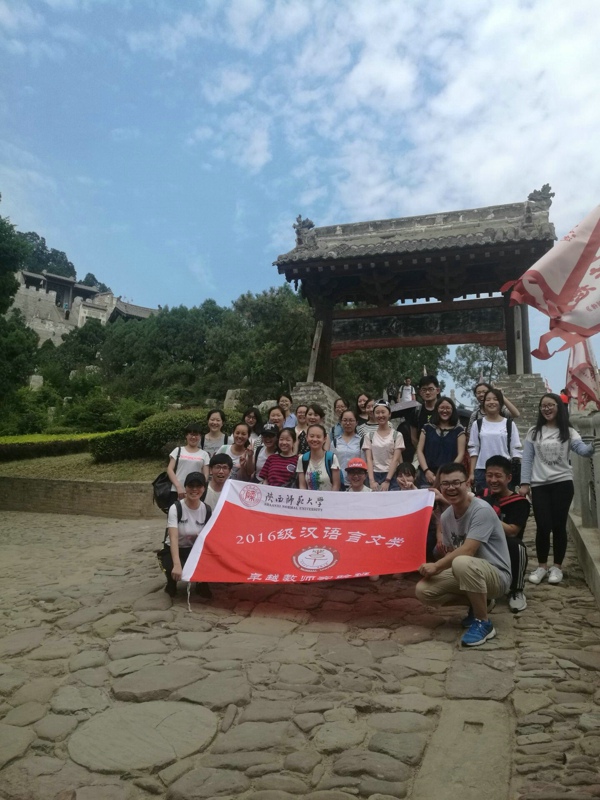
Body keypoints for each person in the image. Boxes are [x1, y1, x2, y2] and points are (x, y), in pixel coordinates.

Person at [415, 462, 512, 647]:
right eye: (445, 484)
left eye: (456, 483)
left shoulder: (481, 510)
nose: (451, 488)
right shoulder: (446, 517)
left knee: (461, 562)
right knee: (424, 590)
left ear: (467, 483)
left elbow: (468, 550)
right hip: (469, 571)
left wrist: (437, 566)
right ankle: (481, 603)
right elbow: (453, 551)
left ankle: (483, 622)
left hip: (497, 575)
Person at [520, 393, 594, 586]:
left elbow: (582, 450)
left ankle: (557, 567)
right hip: (540, 485)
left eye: (550, 405)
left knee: (559, 526)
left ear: (559, 407)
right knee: (543, 526)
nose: (546, 409)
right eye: (543, 406)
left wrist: (593, 444)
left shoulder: (568, 432)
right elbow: (527, 459)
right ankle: (542, 566)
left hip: (562, 484)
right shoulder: (533, 432)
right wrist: (525, 483)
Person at [479, 456, 530, 613]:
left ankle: (516, 590)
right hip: (482, 542)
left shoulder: (519, 502)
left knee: (518, 546)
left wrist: (487, 514)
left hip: (506, 545)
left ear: (508, 478)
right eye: (489, 475)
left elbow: (513, 531)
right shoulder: (481, 495)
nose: (493, 480)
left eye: (498, 476)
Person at [159, 472, 212, 599]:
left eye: (198, 486)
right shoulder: (176, 508)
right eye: (191, 486)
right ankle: (171, 582)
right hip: (175, 548)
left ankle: (201, 582)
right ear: (185, 488)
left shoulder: (207, 509)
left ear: (204, 488)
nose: (194, 489)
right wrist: (177, 564)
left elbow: (208, 538)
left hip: (194, 549)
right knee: (173, 566)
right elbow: (173, 538)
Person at [468, 388, 522, 494]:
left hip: (504, 470)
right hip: (482, 470)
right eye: (488, 400)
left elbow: (515, 449)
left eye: (495, 399)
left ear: (500, 403)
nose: (491, 402)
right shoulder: (477, 424)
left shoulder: (509, 424)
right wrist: (471, 473)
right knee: (484, 501)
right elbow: (474, 450)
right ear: (484, 403)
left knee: (505, 501)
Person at [416, 396, 466, 488]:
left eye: (448, 408)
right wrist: (426, 471)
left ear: (453, 410)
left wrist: (447, 473)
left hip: (450, 476)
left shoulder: (459, 430)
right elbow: (419, 450)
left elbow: (461, 454)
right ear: (436, 409)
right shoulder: (427, 428)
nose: (445, 411)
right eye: (442, 408)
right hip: (427, 475)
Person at [363, 399, 404, 491]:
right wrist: (371, 480)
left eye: (383, 412)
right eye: (377, 413)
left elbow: (395, 459)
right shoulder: (369, 436)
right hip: (374, 474)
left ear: (389, 414)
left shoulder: (397, 435)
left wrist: (387, 480)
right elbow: (369, 459)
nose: (380, 415)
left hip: (392, 475)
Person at [166, 423, 210, 507]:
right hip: (176, 491)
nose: (193, 437)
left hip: (195, 492)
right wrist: (178, 487)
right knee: (175, 513)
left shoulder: (204, 454)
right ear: (186, 435)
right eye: (191, 434)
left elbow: (206, 474)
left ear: (200, 436)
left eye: (196, 435)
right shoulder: (178, 450)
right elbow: (170, 469)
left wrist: (199, 489)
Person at [297, 423, 341, 491]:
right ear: (306, 438)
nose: (315, 439)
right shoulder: (302, 459)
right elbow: (302, 485)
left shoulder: (332, 458)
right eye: (311, 436)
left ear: (324, 439)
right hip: (309, 497)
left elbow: (336, 485)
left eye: (318, 437)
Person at [329, 408, 364, 487]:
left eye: (351, 420)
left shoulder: (361, 441)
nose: (348, 423)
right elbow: (331, 464)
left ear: (356, 422)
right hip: (338, 483)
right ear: (341, 422)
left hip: (356, 483)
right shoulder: (335, 442)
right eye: (345, 420)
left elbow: (364, 464)